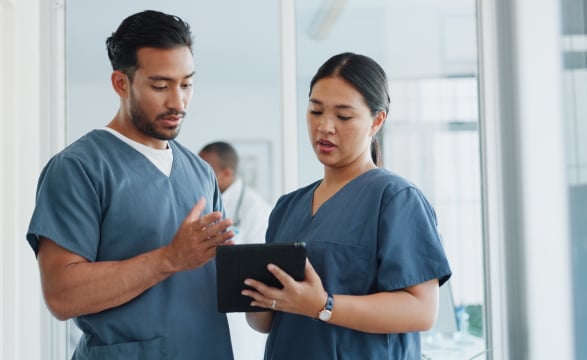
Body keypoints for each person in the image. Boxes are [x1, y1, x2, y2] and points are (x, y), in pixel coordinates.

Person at [26, 10, 236, 359]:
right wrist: (169, 258)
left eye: (186, 84)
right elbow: (61, 295)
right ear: (121, 84)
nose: (178, 102)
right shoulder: (79, 168)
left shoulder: (200, 172)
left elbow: (216, 277)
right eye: (160, 86)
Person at [244, 52, 452, 359]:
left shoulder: (396, 198)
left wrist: (323, 306)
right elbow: (265, 322)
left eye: (343, 116)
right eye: (315, 111)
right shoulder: (288, 207)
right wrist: (252, 291)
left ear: (377, 121)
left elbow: (422, 310)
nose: (325, 127)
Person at [199, 141, 271, 360]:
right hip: (202, 309)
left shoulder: (256, 210)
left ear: (227, 173)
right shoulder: (201, 201)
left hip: (239, 321)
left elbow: (258, 268)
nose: (198, 173)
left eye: (205, 168)